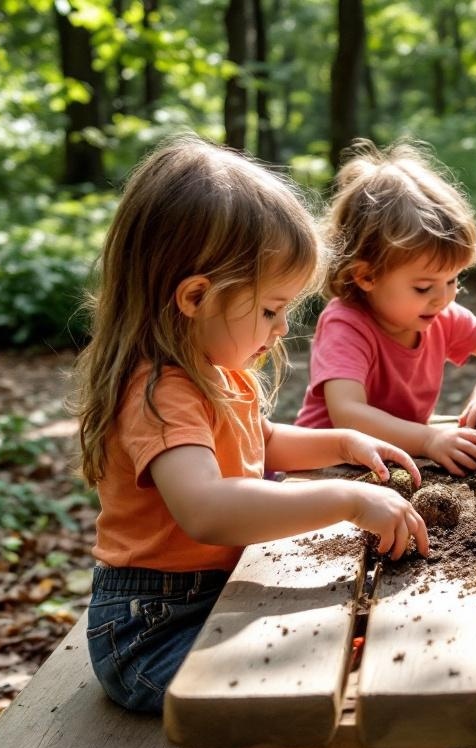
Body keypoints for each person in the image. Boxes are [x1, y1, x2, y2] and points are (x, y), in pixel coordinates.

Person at [71, 135, 429, 715]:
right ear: (195, 296)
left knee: (360, 647)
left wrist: (341, 441)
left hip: (220, 595)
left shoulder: (217, 370)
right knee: (287, 706)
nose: (284, 327)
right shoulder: (158, 391)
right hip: (152, 629)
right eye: (271, 309)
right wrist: (347, 499)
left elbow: (259, 443)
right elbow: (207, 507)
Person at [294, 139, 476, 475]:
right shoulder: (346, 324)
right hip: (328, 468)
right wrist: (429, 440)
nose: (443, 297)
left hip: (398, 463)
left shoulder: (440, 316)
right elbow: (348, 414)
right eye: (424, 286)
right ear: (366, 276)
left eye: (453, 280)